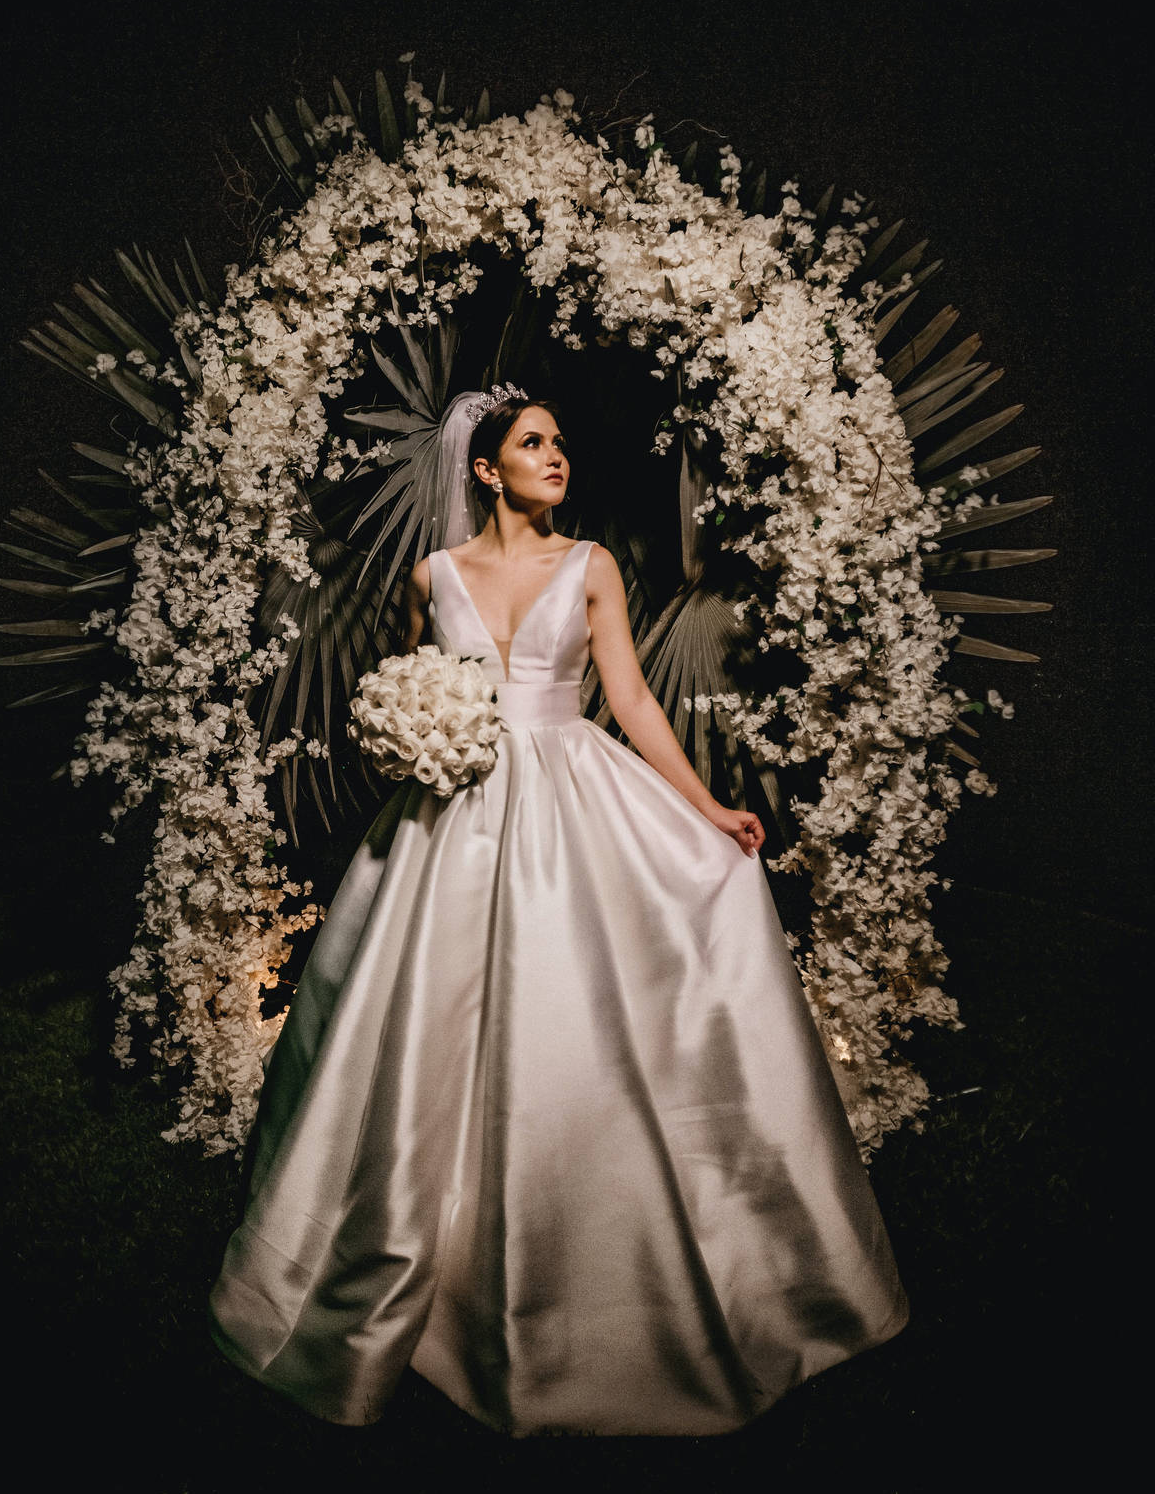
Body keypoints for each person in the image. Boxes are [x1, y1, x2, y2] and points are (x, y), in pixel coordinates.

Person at [209, 385, 908, 1437]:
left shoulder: (591, 567)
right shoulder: (429, 575)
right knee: (419, 1028)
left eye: (560, 444)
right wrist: (409, 736)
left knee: (575, 1014)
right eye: (531, 444)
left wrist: (711, 808)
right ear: (483, 469)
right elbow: (408, 688)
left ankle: (605, 1271)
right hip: (450, 812)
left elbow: (626, 698)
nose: (555, 457)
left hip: (568, 792)